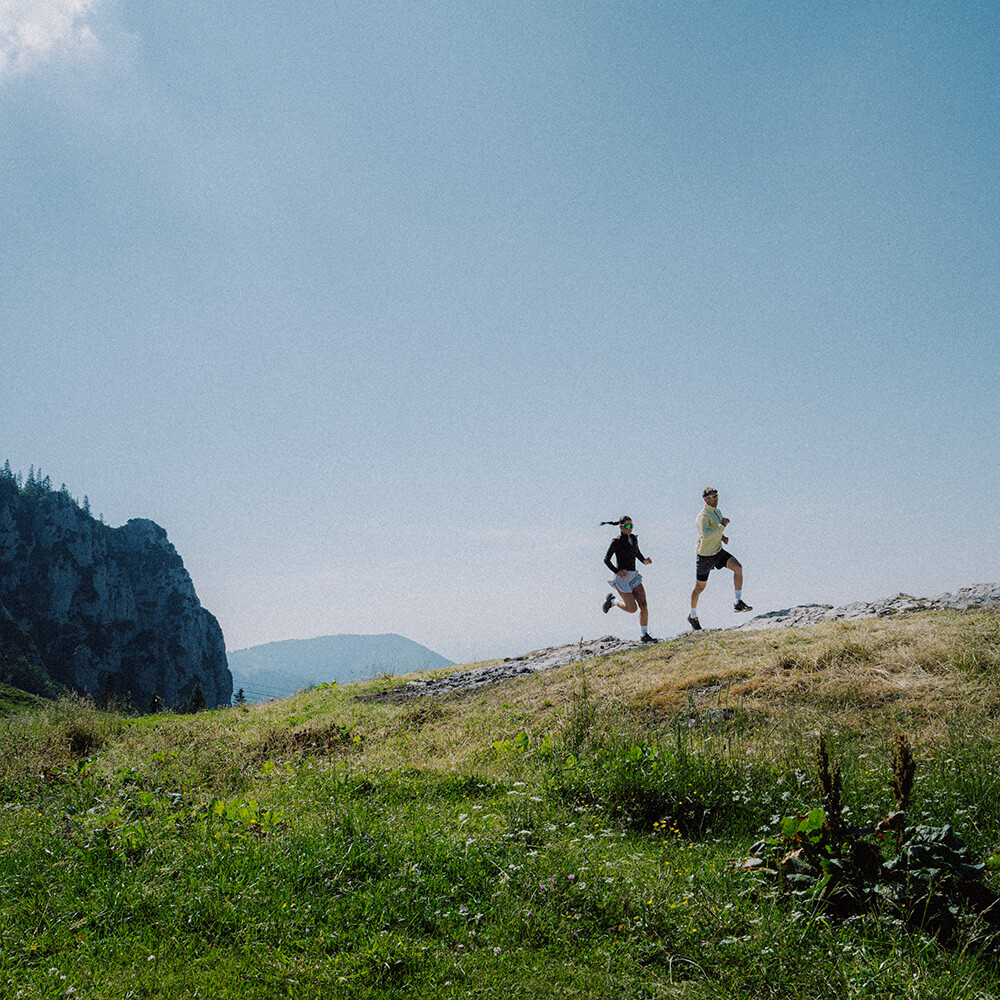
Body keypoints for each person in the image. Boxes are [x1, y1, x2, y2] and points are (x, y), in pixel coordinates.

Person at [687, 488, 752, 630]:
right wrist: (722, 526)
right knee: (699, 588)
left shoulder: (717, 512)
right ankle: (693, 616)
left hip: (718, 552)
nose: (716, 499)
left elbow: (714, 532)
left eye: (717, 496)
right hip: (705, 556)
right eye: (713, 497)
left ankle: (738, 602)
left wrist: (722, 537)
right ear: (705, 499)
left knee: (738, 568)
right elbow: (706, 535)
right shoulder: (702, 516)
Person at [600, 516, 657, 643]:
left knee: (644, 604)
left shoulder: (634, 538)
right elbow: (606, 559)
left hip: (634, 576)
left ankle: (644, 635)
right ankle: (613, 601)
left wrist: (644, 561)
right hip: (622, 578)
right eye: (627, 526)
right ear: (620, 527)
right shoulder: (617, 541)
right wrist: (617, 571)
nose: (630, 528)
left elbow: (637, 553)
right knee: (632, 609)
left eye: (631, 525)